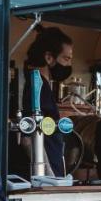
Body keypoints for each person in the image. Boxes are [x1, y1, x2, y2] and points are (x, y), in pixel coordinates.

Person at [22, 25, 75, 176]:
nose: (68, 65)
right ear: (49, 57)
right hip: (46, 178)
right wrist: (48, 174)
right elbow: (28, 139)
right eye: (66, 58)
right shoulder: (37, 87)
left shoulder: (43, 86)